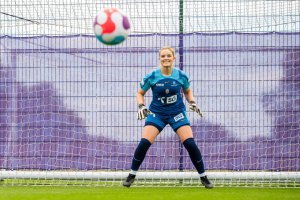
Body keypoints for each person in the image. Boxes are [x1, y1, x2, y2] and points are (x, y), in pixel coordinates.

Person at [123, 46, 213, 189]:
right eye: (163, 56)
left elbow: (188, 91)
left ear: (173, 58)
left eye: (168, 56)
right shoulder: (151, 76)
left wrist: (193, 102)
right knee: (145, 142)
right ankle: (131, 175)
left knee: (190, 143)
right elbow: (140, 93)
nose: (166, 58)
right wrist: (141, 106)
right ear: (160, 59)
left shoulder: (181, 76)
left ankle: (204, 177)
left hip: (177, 113)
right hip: (156, 114)